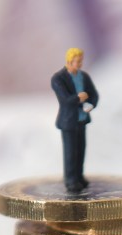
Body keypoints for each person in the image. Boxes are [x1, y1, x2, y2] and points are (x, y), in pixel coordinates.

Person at [51, 47, 98, 193]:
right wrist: (79, 98)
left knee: (81, 149)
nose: (80, 64)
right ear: (69, 61)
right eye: (77, 61)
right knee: (70, 152)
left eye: (81, 61)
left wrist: (91, 104)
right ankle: (71, 179)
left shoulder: (84, 76)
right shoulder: (58, 78)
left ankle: (79, 176)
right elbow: (65, 99)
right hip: (68, 121)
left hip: (82, 119)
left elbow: (94, 94)